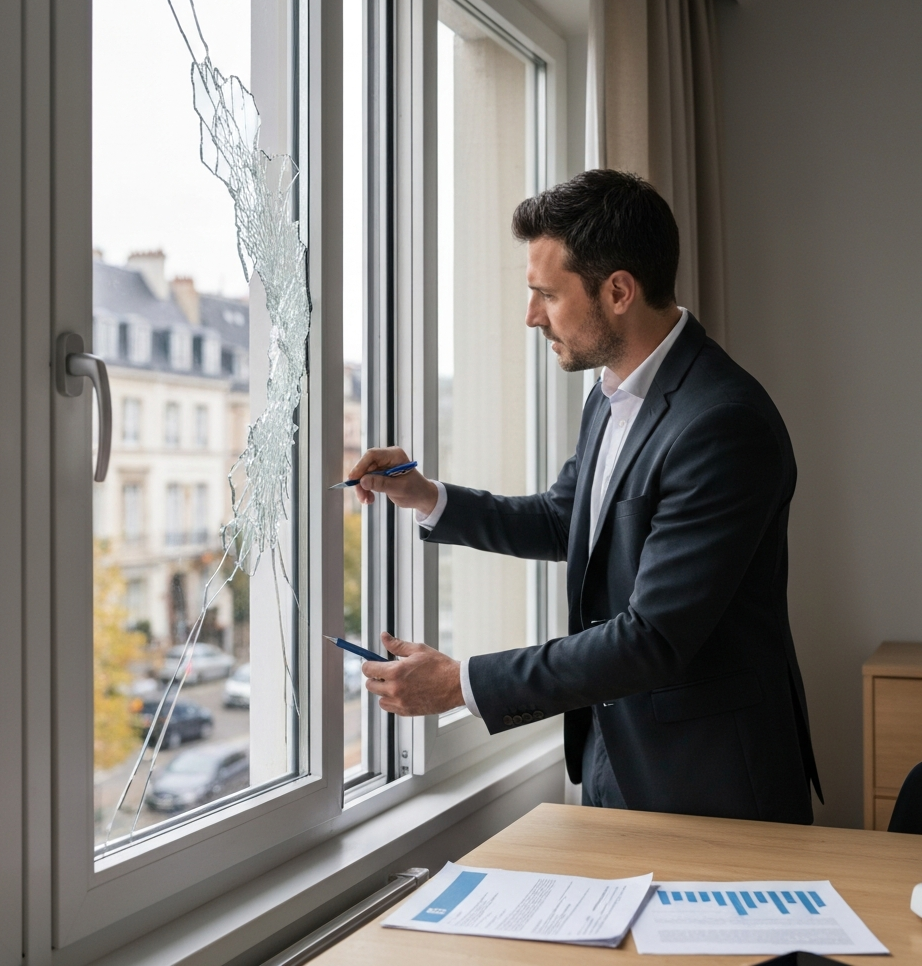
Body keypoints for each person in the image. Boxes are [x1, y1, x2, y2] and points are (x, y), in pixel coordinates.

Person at [348, 169, 822, 823]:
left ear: (619, 291)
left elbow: (653, 637)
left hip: (711, 780)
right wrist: (428, 496)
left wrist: (462, 683)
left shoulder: (722, 422)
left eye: (547, 293)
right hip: (615, 760)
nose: (531, 315)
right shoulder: (613, 393)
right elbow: (567, 519)